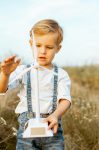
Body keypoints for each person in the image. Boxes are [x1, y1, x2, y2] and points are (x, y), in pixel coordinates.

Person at [0, 19, 71, 150]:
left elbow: (65, 100)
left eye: (49, 47)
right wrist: (5, 74)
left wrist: (55, 115)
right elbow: (2, 89)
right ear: (31, 44)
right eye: (38, 46)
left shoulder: (61, 74)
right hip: (27, 130)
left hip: (51, 129)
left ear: (58, 48)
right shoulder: (23, 70)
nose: (43, 51)